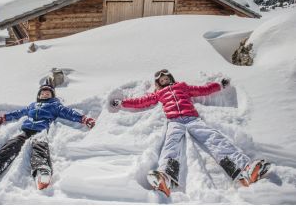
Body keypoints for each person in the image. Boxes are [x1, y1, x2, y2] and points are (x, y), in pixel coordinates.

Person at [110, 69, 269, 197]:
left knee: (215, 139)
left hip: (193, 119)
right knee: (171, 145)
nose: (164, 80)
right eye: (161, 80)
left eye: (165, 77)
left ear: (170, 78)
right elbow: (141, 102)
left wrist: (219, 85)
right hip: (174, 122)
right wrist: (122, 103)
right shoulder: (159, 94)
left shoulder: (182, 87)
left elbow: (202, 90)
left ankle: (244, 169)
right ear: (158, 83)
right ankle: (165, 176)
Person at [0, 84, 96, 190]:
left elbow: (69, 113)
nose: (45, 94)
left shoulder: (55, 106)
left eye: (48, 93)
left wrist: (84, 119)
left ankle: (42, 171)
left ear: (52, 96)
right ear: (39, 95)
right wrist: (3, 118)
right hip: (26, 130)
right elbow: (18, 113)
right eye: (43, 93)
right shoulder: (32, 106)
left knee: (39, 145)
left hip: (41, 130)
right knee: (12, 144)